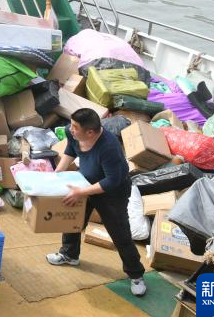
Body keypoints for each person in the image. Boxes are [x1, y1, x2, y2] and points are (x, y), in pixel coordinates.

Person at [46, 108, 148, 297]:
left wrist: (81, 193)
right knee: (72, 220)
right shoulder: (72, 132)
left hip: (113, 193)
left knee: (120, 234)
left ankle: (136, 274)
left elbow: (112, 181)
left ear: (90, 132)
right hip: (85, 182)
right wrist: (56, 175)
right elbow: (70, 150)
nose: (70, 129)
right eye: (71, 124)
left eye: (75, 127)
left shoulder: (109, 147)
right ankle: (69, 254)